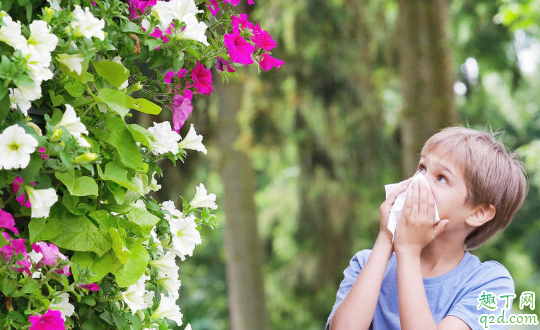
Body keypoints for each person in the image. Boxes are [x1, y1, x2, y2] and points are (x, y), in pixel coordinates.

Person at [326, 127, 528, 330]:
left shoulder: (488, 283)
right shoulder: (366, 264)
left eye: (442, 178)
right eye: (422, 168)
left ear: (478, 213)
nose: (417, 181)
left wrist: (409, 251)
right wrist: (386, 238)